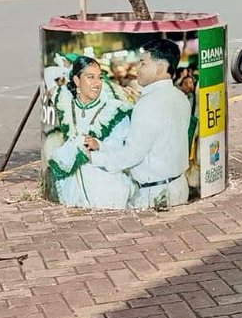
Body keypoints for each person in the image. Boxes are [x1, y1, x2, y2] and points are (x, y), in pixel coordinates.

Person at [86, 39, 192, 210]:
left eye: (143, 63)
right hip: (178, 186)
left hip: (156, 194)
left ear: (160, 67)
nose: (137, 68)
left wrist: (94, 158)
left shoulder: (148, 104)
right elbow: (161, 141)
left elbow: (132, 155)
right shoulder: (179, 97)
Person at [45, 56, 135, 209]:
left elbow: (123, 153)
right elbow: (48, 73)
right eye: (90, 77)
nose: (97, 83)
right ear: (77, 80)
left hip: (105, 189)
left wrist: (98, 144)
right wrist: (68, 70)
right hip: (73, 189)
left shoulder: (113, 110)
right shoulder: (66, 102)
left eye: (99, 77)